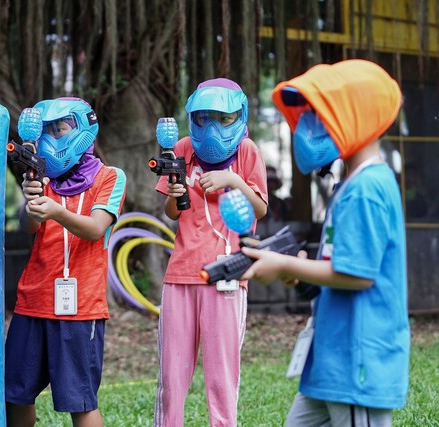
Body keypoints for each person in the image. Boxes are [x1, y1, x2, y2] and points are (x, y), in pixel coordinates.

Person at [241, 59, 410, 426]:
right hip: (331, 361)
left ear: (356, 116)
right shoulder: (350, 185)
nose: (310, 126)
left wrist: (285, 265)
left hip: (357, 363)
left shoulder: (367, 189)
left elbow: (357, 276)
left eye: (322, 114)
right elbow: (338, 266)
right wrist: (304, 274)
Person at [5, 97, 126, 427]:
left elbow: (96, 228)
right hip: (33, 301)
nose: (51, 139)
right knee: (14, 393)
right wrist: (33, 200)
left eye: (60, 129)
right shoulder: (42, 178)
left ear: (85, 129)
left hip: (79, 306)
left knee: (80, 401)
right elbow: (33, 228)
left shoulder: (110, 177)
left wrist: (57, 210)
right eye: (46, 132)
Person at [153, 78, 268, 427]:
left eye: (222, 118)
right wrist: (176, 190)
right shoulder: (182, 149)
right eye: (203, 118)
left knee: (221, 377)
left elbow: (260, 209)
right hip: (181, 275)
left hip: (228, 276)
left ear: (239, 115)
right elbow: (171, 213)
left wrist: (231, 182)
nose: (212, 128)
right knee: (172, 377)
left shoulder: (248, 151)